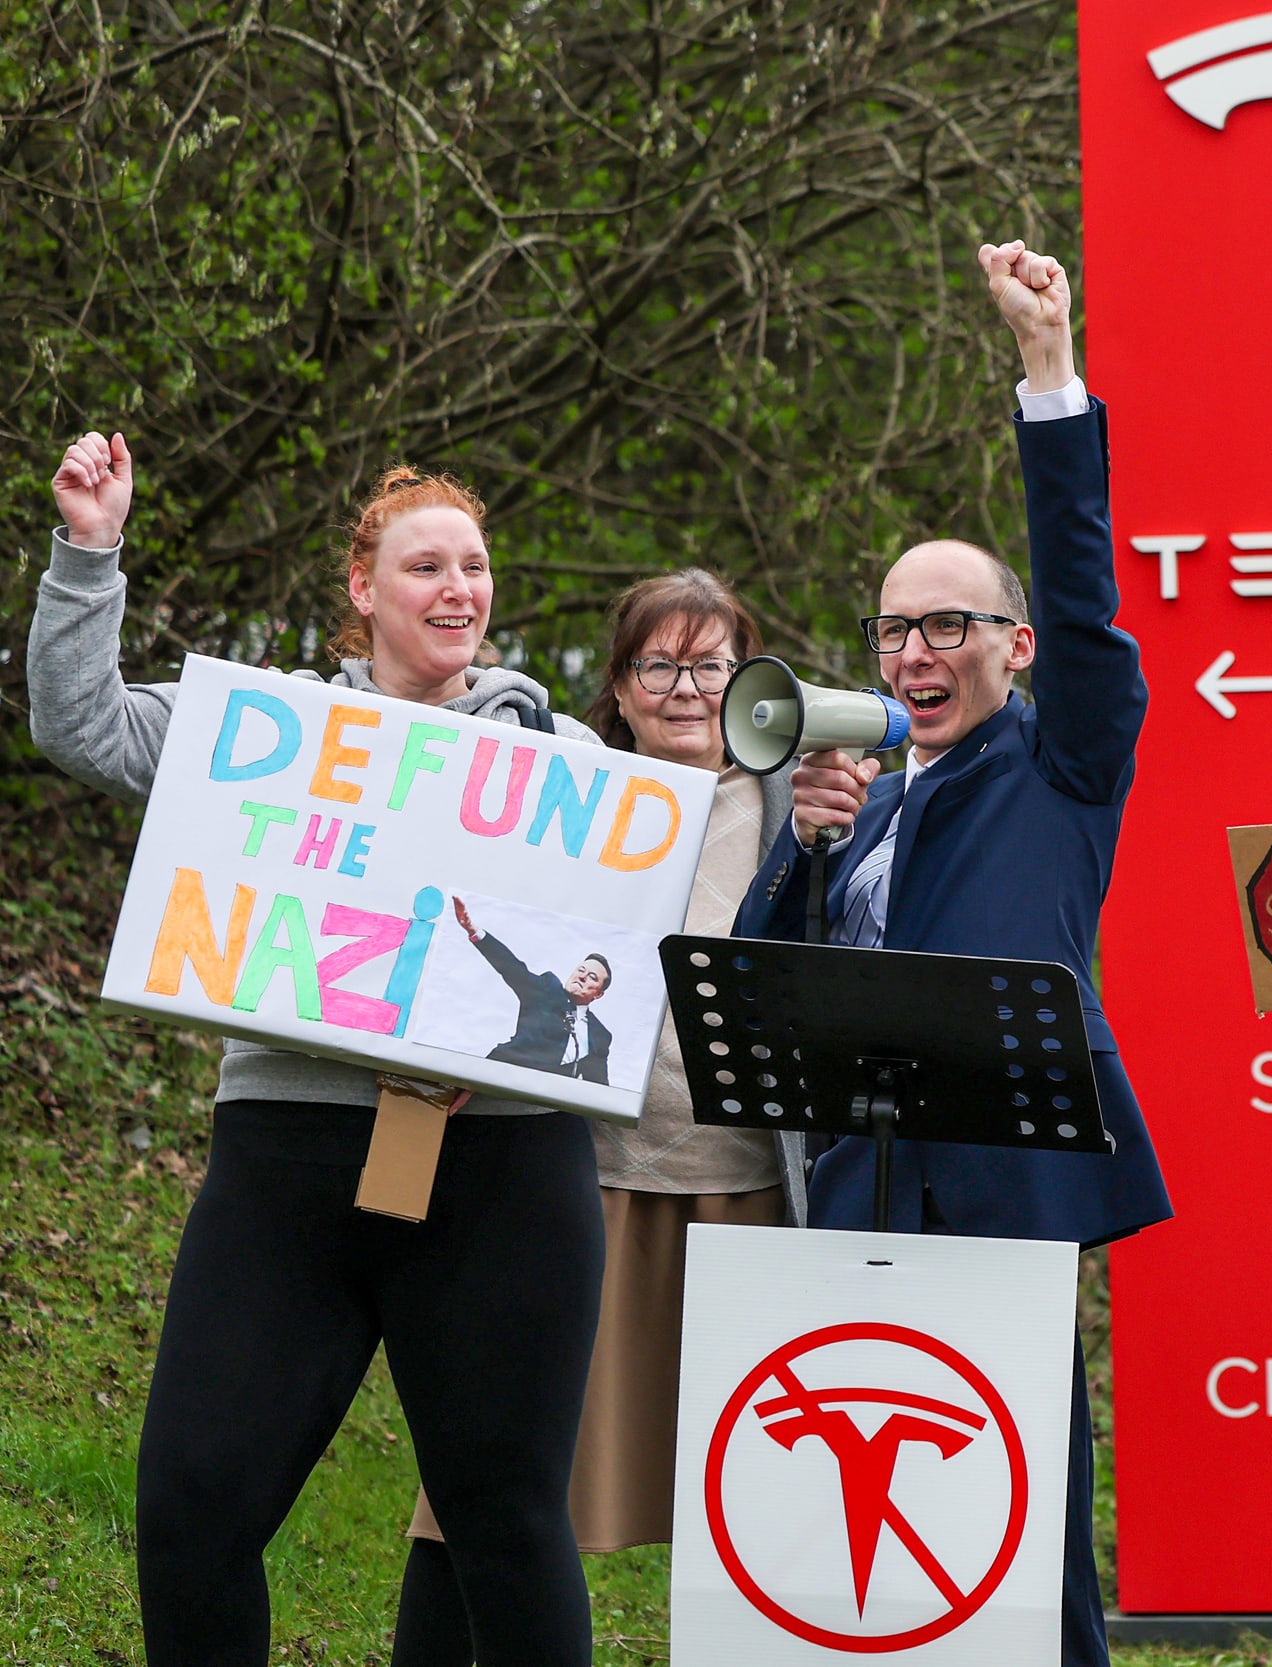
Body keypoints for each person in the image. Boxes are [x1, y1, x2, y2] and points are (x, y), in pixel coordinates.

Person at [28, 444, 605, 1664]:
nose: (458, 588)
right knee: (191, 1508)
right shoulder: (270, 731)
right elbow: (82, 726)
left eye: (475, 565)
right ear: (362, 586)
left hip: (504, 1173)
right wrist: (89, 550)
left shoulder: (562, 758)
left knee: (505, 1523)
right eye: (426, 565)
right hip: (289, 1160)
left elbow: (623, 938)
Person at [731, 238, 1171, 1667]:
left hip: (1002, 1200)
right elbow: (759, 982)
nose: (914, 650)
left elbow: (1089, 600)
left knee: (1019, 1531)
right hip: (858, 1197)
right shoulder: (859, 798)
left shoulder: (1061, 763)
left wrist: (1049, 371)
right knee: (865, 1564)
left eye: (947, 623)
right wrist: (803, 845)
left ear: (1015, 647)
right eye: (893, 627)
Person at [394, 570, 809, 1666]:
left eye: (710, 664)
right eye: (657, 665)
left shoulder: (798, 809)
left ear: (746, 680)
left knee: (767, 1502)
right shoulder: (564, 797)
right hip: (575, 1185)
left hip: (746, 1196)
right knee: (480, 1479)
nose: (686, 689)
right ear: (618, 686)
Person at [449, 897, 616, 1082]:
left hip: (540, 1094)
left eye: (592, 977)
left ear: (599, 994)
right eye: (581, 970)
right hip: (499, 1076)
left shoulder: (600, 1035)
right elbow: (512, 968)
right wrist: (473, 931)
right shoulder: (546, 989)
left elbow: (598, 1085)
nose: (582, 976)